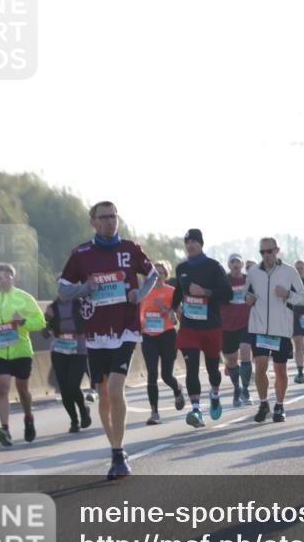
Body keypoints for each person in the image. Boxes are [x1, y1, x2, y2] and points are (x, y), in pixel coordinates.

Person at [59, 201, 157, 480]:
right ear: (93, 222)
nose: (110, 221)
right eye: (103, 217)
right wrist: (84, 288)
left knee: (115, 389)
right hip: (96, 334)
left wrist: (140, 294)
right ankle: (115, 449)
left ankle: (118, 450)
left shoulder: (130, 249)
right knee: (103, 394)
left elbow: (152, 275)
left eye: (113, 216)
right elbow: (63, 290)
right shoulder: (81, 254)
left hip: (126, 329)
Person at [0, 264, 45, 446]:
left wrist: (23, 321)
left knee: (23, 391)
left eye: (6, 278)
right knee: (1, 389)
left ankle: (28, 418)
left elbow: (40, 322)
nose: (2, 281)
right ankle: (5, 430)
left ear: (13, 279)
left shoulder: (24, 298)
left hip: (21, 350)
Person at [172, 229, 233, 428]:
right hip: (189, 326)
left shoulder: (214, 267)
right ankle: (196, 410)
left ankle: (214, 394)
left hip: (211, 326)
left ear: (201, 244)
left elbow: (228, 294)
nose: (190, 245)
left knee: (213, 369)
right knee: (191, 369)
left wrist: (205, 292)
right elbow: (178, 291)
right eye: (187, 242)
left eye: (194, 241)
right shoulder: (181, 268)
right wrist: (173, 309)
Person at [245, 237, 304, 423]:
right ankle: (264, 404)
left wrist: (287, 294)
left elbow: (303, 298)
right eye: (262, 252)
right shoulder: (253, 272)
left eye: (269, 251)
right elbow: (246, 295)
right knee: (260, 366)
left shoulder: (289, 271)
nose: (266, 255)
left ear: (276, 250)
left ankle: (279, 405)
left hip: (281, 329)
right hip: (259, 327)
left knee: (280, 369)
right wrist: (248, 299)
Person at [139, 260, 185, 425]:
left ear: (166, 275)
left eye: (161, 273)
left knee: (166, 376)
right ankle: (154, 412)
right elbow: (137, 313)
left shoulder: (171, 292)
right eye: (155, 273)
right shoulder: (144, 292)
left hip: (167, 335)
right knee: (152, 373)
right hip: (148, 337)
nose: (157, 276)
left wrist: (167, 311)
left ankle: (177, 389)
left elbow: (179, 316)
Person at [43, 295, 93, 433]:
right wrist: (47, 318)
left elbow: (92, 322)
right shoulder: (52, 307)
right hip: (59, 352)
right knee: (64, 390)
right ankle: (74, 421)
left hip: (79, 351)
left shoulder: (80, 304)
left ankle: (83, 410)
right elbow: (45, 334)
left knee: (73, 385)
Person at [221, 253, 254, 408]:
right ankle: (237, 388)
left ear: (241, 265)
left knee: (246, 350)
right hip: (227, 325)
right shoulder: (224, 280)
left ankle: (246, 390)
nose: (235, 264)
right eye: (232, 262)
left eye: (238, 262)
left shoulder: (249, 279)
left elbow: (258, 295)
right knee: (232, 360)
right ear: (229, 265)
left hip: (245, 323)